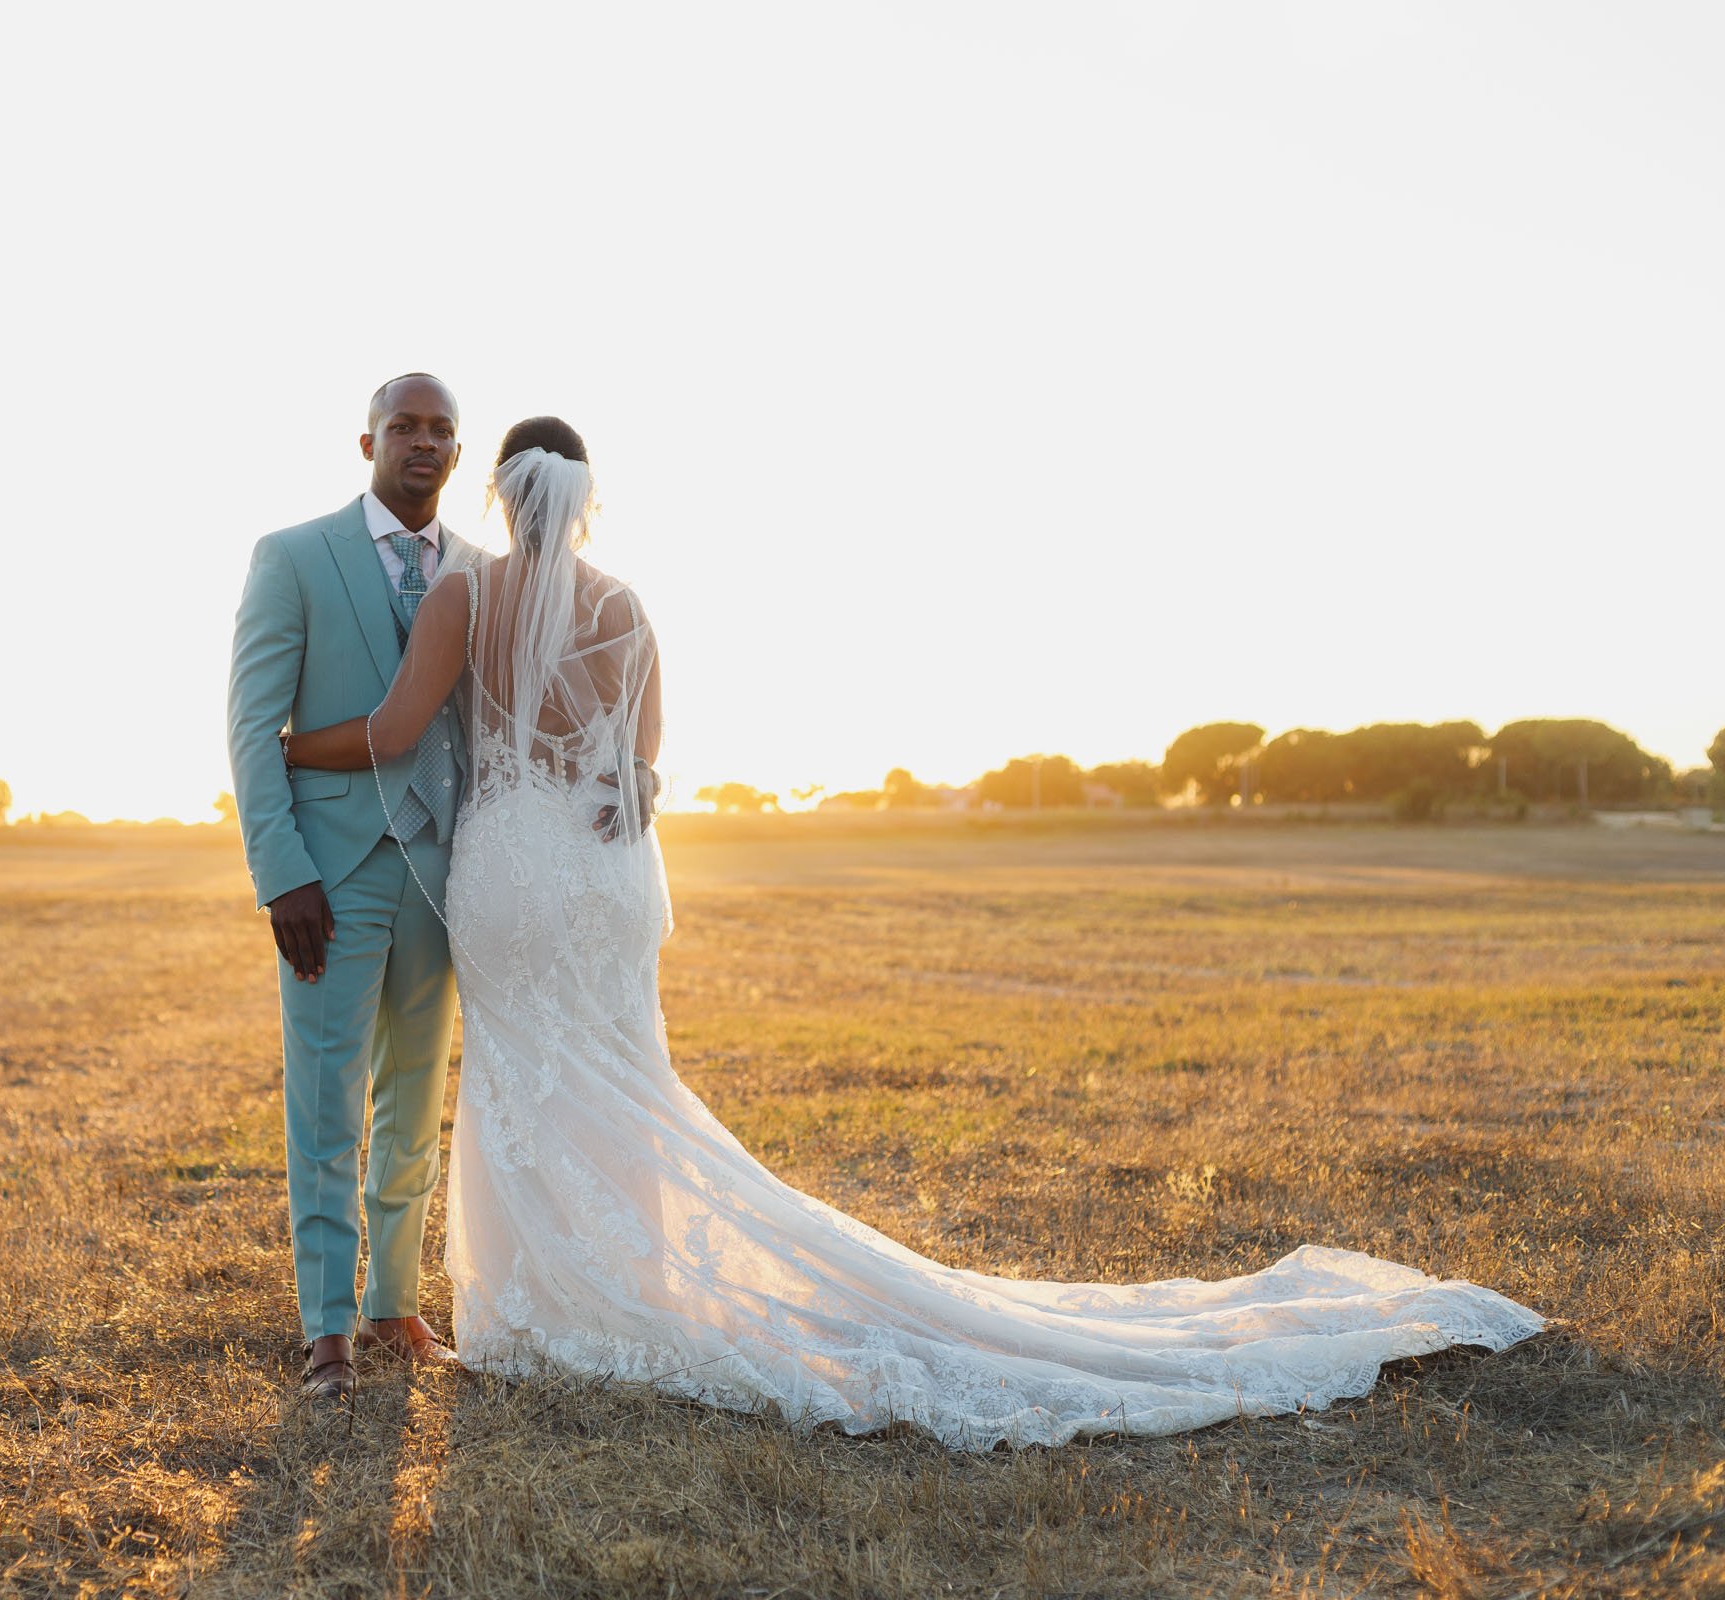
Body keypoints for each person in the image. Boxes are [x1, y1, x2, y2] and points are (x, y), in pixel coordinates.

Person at [279, 415, 1544, 1448]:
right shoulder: (626, 610)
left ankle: (538, 1306)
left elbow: (395, 735)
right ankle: (630, 1278)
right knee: (625, 1074)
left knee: (527, 1084)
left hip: (510, 868)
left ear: (503, 496)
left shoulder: (468, 594)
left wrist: (290, 749)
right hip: (604, 875)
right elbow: (648, 754)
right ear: (588, 503)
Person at [225, 373, 482, 1403]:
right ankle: (325, 1330)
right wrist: (281, 870)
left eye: (442, 431)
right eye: (406, 426)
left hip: (443, 876)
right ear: (367, 438)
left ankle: (392, 1303)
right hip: (329, 880)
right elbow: (253, 730)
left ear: (458, 456)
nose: (423, 443)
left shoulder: (479, 572)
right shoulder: (292, 557)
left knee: (416, 1102)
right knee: (326, 1103)